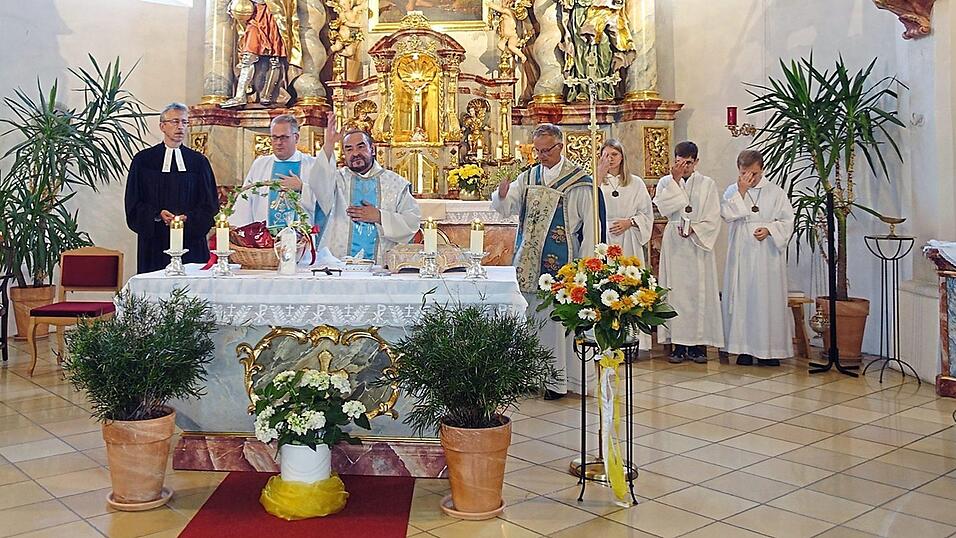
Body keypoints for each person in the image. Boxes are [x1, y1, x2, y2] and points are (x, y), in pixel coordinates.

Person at [491, 123, 605, 399]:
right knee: (528, 318)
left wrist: (587, 265)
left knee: (556, 323)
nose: (541, 156)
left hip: (562, 263)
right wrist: (503, 193)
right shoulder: (528, 177)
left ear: (560, 146)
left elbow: (591, 227)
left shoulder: (580, 182)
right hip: (528, 260)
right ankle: (529, 376)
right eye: (537, 151)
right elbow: (507, 207)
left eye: (546, 150)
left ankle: (557, 381)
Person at [307, 111, 421, 264]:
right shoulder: (336, 181)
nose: (355, 153)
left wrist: (380, 217)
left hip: (381, 267)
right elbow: (317, 185)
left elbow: (412, 223)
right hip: (338, 265)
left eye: (361, 147)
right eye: (349, 149)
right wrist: (328, 144)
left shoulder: (395, 184)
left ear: (372, 149)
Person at [720, 149, 795, 366]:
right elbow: (727, 214)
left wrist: (770, 229)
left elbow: (787, 220)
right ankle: (742, 348)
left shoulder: (775, 192)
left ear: (761, 169)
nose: (749, 178)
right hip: (741, 252)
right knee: (742, 297)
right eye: (744, 173)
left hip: (767, 255)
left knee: (766, 299)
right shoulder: (732, 191)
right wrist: (741, 192)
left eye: (753, 173)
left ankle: (768, 351)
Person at [125, 103, 219, 274]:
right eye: (175, 122)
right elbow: (133, 203)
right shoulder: (143, 161)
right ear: (162, 126)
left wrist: (189, 218)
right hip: (155, 243)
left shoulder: (198, 162)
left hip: (191, 241)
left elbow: (210, 203)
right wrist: (157, 215)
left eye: (184, 122)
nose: (180, 127)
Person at [653, 141, 724, 364]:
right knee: (676, 293)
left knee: (697, 293)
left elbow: (714, 215)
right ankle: (678, 345)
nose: (684, 167)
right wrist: (675, 181)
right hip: (675, 240)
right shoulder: (666, 181)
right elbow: (664, 208)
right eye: (679, 162)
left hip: (697, 241)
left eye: (689, 163)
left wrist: (695, 228)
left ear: (696, 162)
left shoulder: (707, 183)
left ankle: (698, 345)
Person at [595, 138, 653, 350]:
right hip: (604, 237)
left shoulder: (635, 182)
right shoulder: (594, 181)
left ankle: (631, 339)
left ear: (622, 158)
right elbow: (587, 204)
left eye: (614, 155)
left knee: (628, 285)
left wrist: (630, 222)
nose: (609, 159)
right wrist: (598, 176)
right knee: (605, 285)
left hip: (628, 238)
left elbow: (646, 213)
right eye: (605, 155)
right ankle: (605, 339)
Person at [228, 114, 317, 230]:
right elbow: (245, 201)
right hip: (264, 240)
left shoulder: (312, 165)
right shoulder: (260, 164)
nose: (278, 142)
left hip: (301, 240)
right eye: (274, 137)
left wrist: (302, 188)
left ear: (296, 138)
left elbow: (325, 203)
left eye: (284, 137)